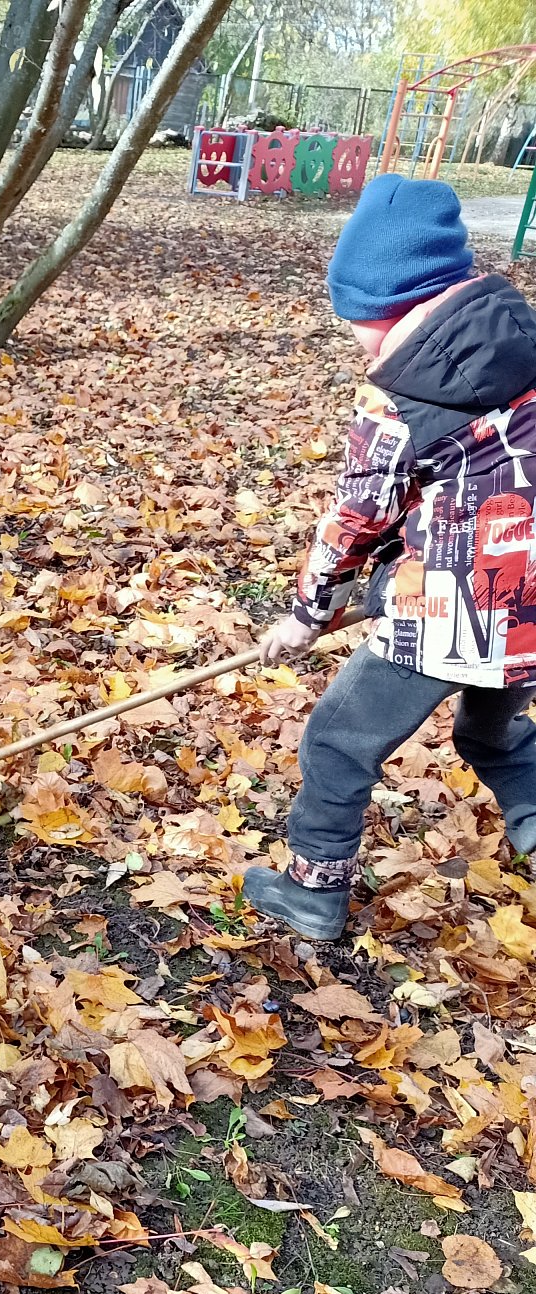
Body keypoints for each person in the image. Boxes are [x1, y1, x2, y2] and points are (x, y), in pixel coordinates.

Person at [245, 172, 536, 941]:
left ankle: (312, 893)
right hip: (532, 609)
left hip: (451, 609)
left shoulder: (398, 394)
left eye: (355, 322)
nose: (355, 340)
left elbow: (357, 517)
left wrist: (308, 613)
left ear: (387, 306)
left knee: (337, 741)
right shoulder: (522, 340)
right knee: (491, 732)